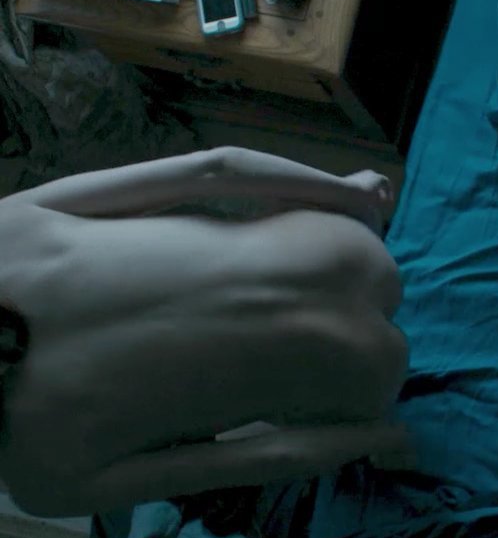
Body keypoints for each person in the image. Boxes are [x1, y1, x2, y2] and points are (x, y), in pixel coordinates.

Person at [0, 146, 413, 518]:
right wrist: (351, 191)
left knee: (227, 432)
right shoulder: (6, 226)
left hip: (366, 376)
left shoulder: (39, 484)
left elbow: (270, 458)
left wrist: (385, 438)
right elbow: (216, 168)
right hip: (349, 245)